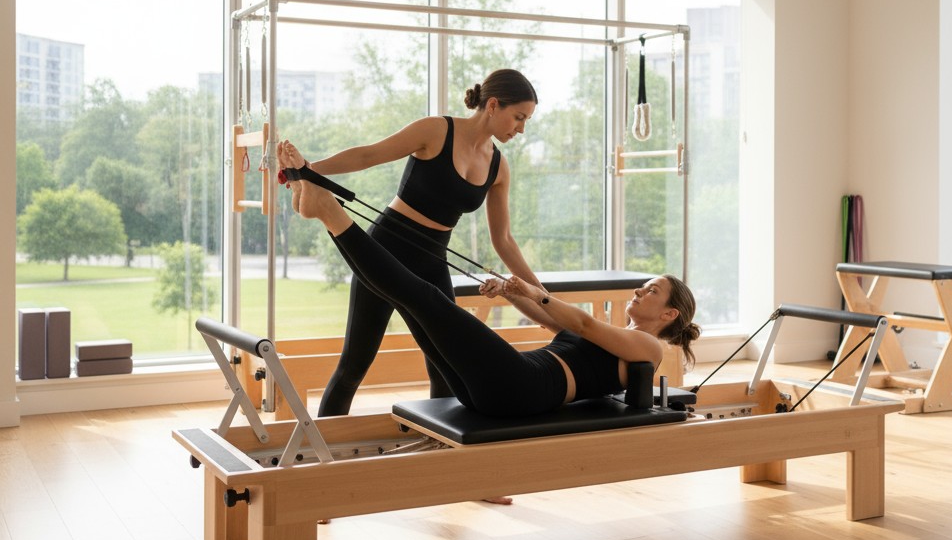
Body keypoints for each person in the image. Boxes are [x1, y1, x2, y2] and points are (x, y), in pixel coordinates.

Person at [279, 139, 700, 417]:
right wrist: (511, 293)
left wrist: (537, 291)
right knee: (416, 303)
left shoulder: (648, 346)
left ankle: (330, 213)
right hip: (504, 384)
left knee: (424, 297)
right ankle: (322, 205)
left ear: (668, 314)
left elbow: (582, 323)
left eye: (652, 290)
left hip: (524, 385)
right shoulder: (622, 336)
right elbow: (551, 323)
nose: (640, 290)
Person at [294, 69, 544, 417]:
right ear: (492, 105)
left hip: (433, 262)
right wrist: (305, 171)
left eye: (526, 121)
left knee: (446, 367)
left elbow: (503, 240)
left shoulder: (499, 167)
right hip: (385, 250)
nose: (520, 129)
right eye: (518, 117)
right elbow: (369, 155)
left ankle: (435, 448)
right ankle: (320, 457)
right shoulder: (436, 130)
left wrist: (540, 293)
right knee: (354, 364)